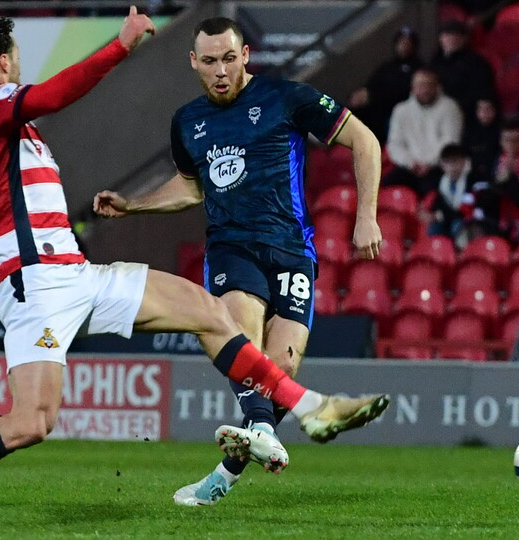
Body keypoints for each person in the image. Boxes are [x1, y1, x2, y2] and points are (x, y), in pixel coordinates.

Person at [0, 11, 390, 528]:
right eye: (17, 54)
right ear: (3, 61)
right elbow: (57, 94)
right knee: (32, 422)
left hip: (74, 272)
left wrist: (5, 216)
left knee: (207, 312)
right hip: (38, 286)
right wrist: (121, 45)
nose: (22, 63)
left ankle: (313, 408)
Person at [93, 16, 383, 507]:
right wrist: (135, 204)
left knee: (280, 367)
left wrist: (367, 217)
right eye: (209, 62)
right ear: (194, 63)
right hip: (231, 246)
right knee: (240, 330)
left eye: (229, 59)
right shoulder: (187, 121)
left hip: (291, 248)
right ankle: (268, 432)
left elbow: (365, 141)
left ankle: (226, 473)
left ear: (245, 55)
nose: (221, 71)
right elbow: (190, 187)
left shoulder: (288, 97)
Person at [382, 67, 463, 195]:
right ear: (413, 87)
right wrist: (411, 163)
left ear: (437, 86)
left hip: (439, 167)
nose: (425, 90)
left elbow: (450, 142)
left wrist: (429, 164)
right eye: (420, 85)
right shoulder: (401, 110)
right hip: (409, 166)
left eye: (429, 85)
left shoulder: (450, 108)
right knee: (385, 188)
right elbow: (395, 144)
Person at [350, 25, 423, 141]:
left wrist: (373, 96)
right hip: (373, 108)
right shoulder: (387, 66)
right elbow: (371, 84)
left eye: (408, 42)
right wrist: (362, 93)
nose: (404, 45)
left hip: (394, 112)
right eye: (401, 42)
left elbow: (403, 92)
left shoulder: (419, 68)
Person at [429, 19, 495, 117]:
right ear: (440, 38)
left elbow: (480, 91)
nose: (452, 39)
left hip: (466, 114)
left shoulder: (477, 62)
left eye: (457, 36)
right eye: (448, 35)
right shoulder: (434, 62)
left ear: (465, 39)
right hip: (436, 112)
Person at [421, 143, 480, 243]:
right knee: (434, 226)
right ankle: (436, 252)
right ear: (442, 165)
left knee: (458, 225)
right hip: (447, 219)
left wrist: (439, 215)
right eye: (448, 163)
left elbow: (464, 211)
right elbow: (438, 206)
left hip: (464, 219)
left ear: (463, 162)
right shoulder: (439, 183)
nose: (452, 167)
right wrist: (434, 215)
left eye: (455, 162)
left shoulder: (471, 182)